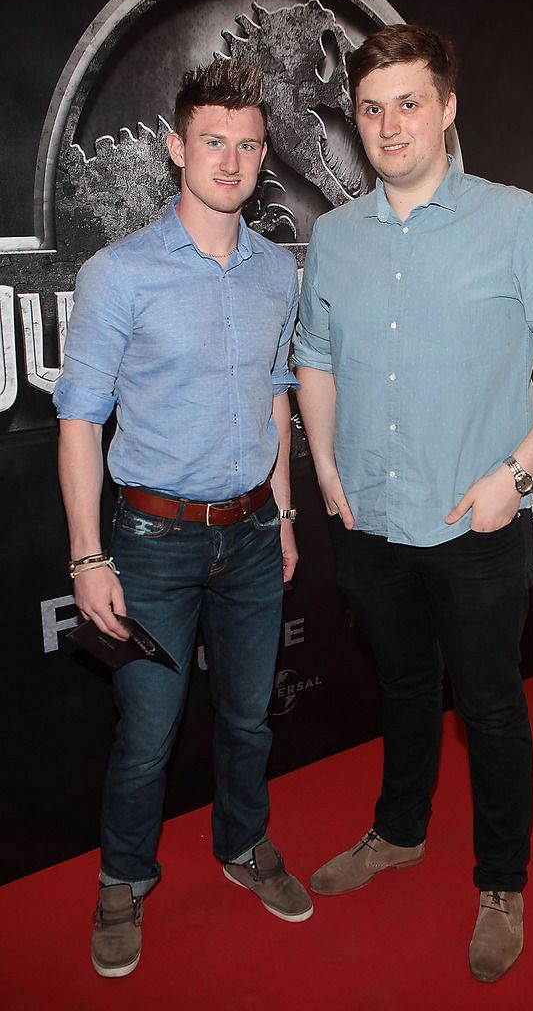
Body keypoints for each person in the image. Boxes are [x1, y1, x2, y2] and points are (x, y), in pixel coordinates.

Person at [293, 24, 533, 983]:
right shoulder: (337, 236)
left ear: (445, 110)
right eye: (371, 109)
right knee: (400, 688)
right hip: (372, 522)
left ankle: (503, 883)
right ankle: (398, 834)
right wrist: (324, 472)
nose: (389, 125)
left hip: (476, 524)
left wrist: (514, 476)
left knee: (487, 704)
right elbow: (315, 360)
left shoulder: (517, 220)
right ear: (354, 124)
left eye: (408, 104)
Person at [54, 58, 313, 980]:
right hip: (152, 545)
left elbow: (277, 400)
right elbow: (80, 422)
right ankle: (122, 879)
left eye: (248, 145)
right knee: (147, 735)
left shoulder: (278, 271)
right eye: (214, 141)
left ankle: (243, 847)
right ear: (176, 147)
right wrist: (89, 558)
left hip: (249, 536)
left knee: (248, 722)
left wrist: (282, 517)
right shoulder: (118, 275)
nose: (233, 160)